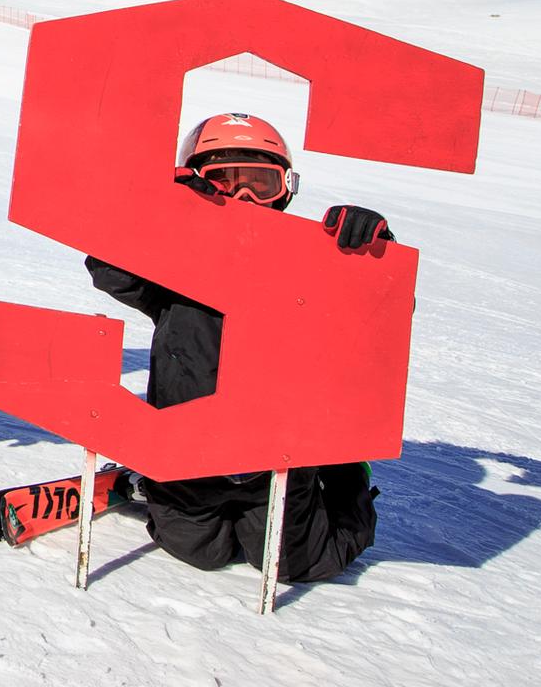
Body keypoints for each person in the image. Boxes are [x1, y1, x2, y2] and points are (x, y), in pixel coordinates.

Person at [86, 111, 388, 582]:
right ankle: (150, 483)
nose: (243, 198)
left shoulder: (309, 265)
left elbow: (380, 318)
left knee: (297, 562)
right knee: (197, 550)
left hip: (275, 461)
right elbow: (110, 269)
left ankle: (346, 472)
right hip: (188, 452)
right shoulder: (176, 265)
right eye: (224, 182)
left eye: (260, 184)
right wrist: (161, 211)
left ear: (285, 190)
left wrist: (371, 256)